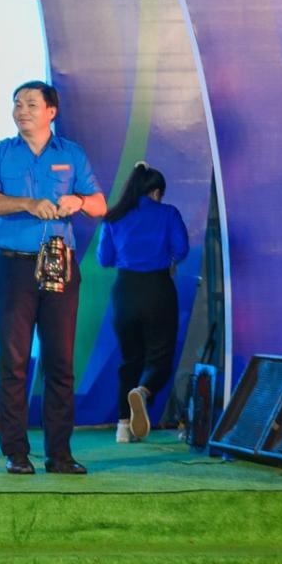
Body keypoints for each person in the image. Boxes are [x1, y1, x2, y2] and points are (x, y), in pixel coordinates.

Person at [0, 79, 107, 476]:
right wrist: (27, 203)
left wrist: (79, 201)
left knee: (60, 361)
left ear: (51, 111)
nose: (22, 110)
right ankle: (16, 452)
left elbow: (100, 204)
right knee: (13, 362)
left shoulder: (72, 154)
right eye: (17, 104)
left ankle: (59, 453)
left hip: (59, 262)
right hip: (13, 266)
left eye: (31, 104)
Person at [100, 163, 189, 443]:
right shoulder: (168, 213)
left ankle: (123, 426)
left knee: (130, 360)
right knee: (160, 358)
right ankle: (143, 391)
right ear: (156, 192)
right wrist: (168, 259)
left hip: (125, 290)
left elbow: (104, 259)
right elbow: (181, 249)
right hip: (157, 288)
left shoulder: (114, 217)